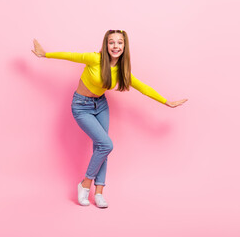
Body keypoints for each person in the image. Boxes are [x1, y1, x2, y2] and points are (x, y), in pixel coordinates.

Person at [31, 30, 188, 208]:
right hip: (81, 107)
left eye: (119, 43)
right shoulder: (95, 59)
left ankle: (99, 193)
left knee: (102, 148)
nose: (115, 46)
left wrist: (166, 102)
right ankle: (85, 184)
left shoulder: (121, 71)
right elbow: (71, 56)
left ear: (124, 46)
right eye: (111, 42)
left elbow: (142, 87)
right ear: (106, 45)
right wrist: (45, 54)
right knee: (106, 145)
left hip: (101, 106)